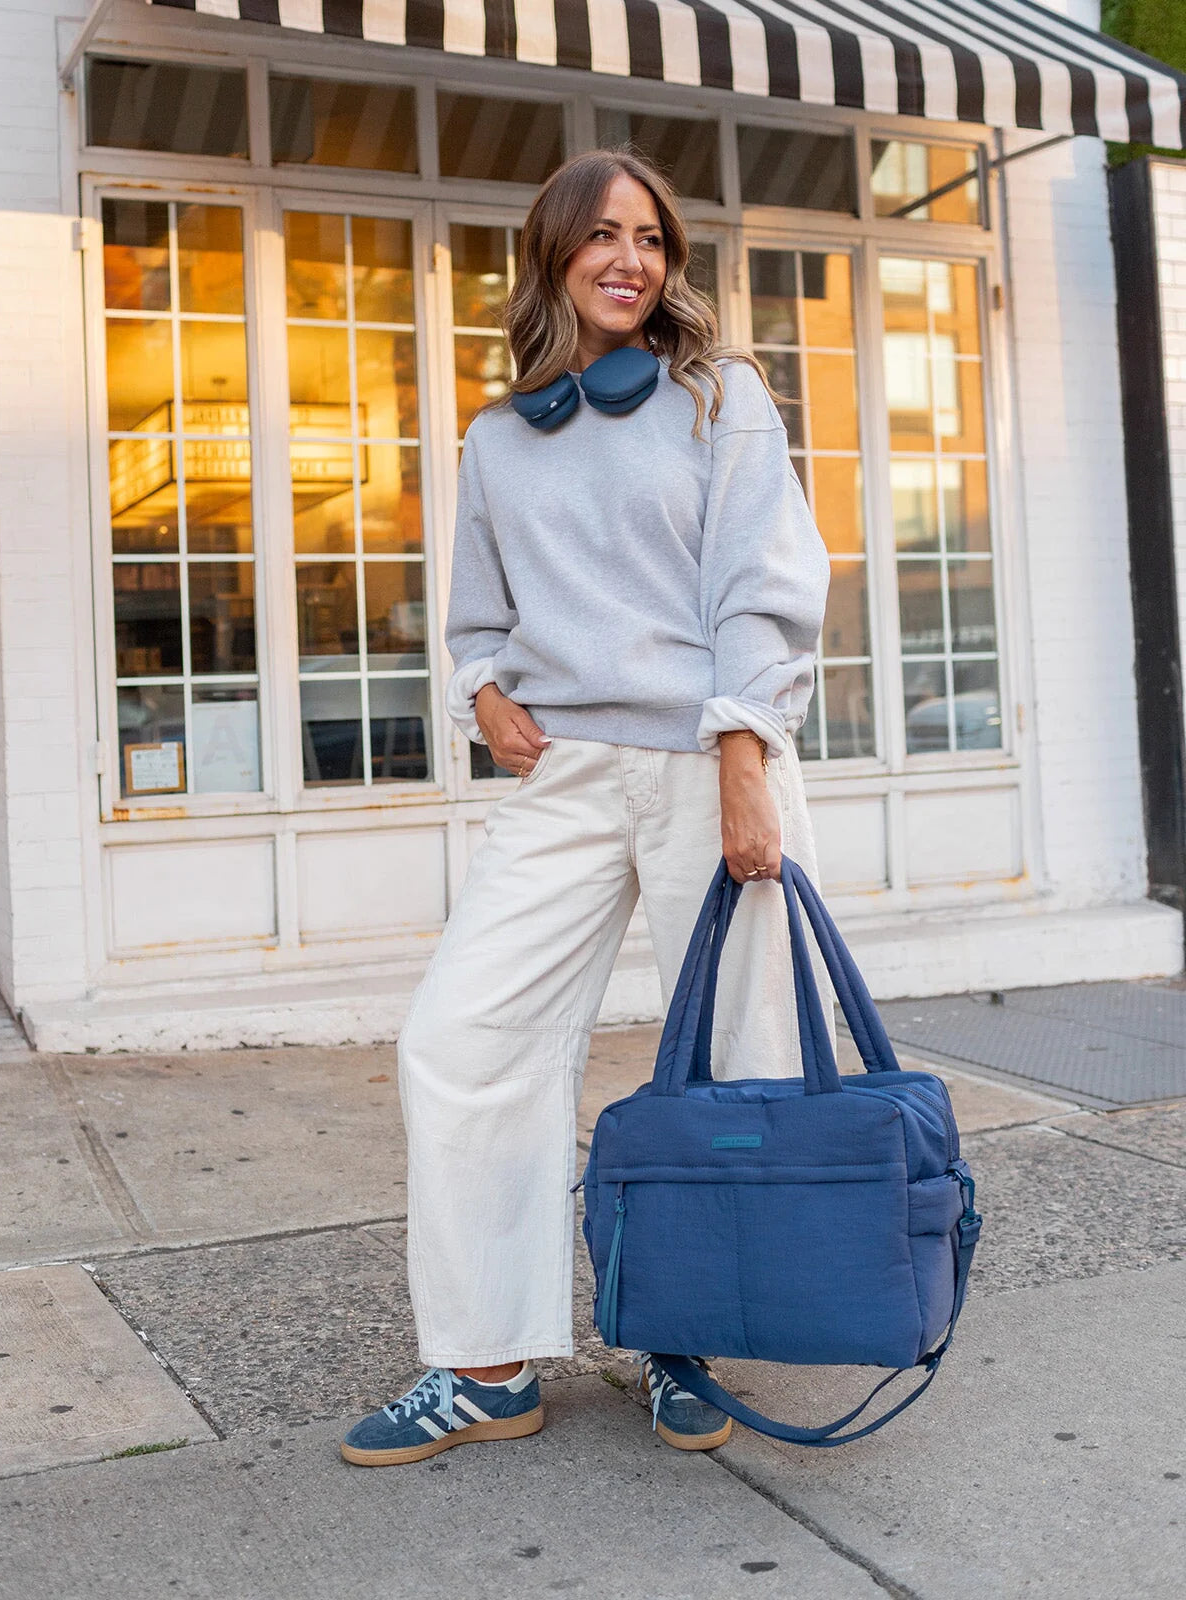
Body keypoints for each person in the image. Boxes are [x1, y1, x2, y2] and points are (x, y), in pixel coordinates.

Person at [341, 149, 831, 1468]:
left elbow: (763, 583)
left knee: (730, 1056)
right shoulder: (497, 440)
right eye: (605, 235)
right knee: (462, 1036)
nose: (632, 260)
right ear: (555, 252)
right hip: (565, 776)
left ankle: (685, 1335)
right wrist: (485, 696)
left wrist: (745, 760)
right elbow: (477, 621)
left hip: (711, 758)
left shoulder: (719, 396)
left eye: (652, 238)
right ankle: (485, 1364)